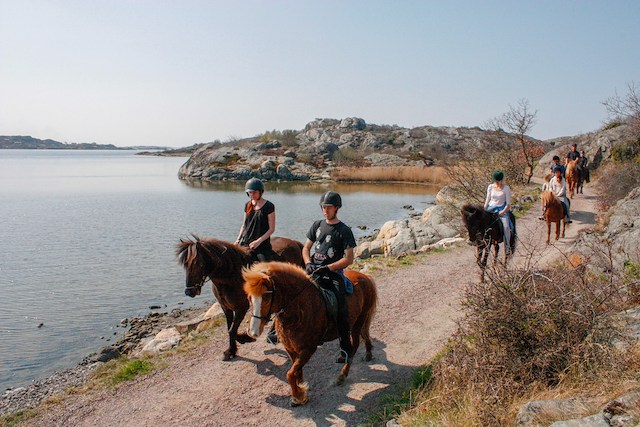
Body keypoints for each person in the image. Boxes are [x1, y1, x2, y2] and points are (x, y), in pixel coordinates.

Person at [303, 191, 356, 363]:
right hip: (312, 270)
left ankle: (346, 349)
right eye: (323, 207)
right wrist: (307, 263)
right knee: (291, 291)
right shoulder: (317, 225)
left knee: (341, 308)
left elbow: (349, 258)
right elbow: (306, 248)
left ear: (336, 208)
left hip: (332, 273)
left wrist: (329, 268)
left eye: (328, 207)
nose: (325, 210)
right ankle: (276, 331)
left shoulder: (344, 230)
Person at [234, 178, 276, 263]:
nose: (252, 194)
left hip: (262, 245)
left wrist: (258, 241)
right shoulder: (247, 205)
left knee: (265, 268)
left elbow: (271, 229)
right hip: (246, 243)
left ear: (260, 192)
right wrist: (238, 239)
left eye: (254, 192)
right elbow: (244, 225)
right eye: (250, 192)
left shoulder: (269, 206)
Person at [483, 170, 512, 253]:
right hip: (491, 208)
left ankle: (507, 246)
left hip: (501, 209)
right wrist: (484, 208)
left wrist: (503, 211)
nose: (497, 183)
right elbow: (488, 199)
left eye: (498, 181)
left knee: (506, 226)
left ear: (501, 180)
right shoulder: (490, 187)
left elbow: (508, 203)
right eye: (495, 181)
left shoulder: (506, 188)